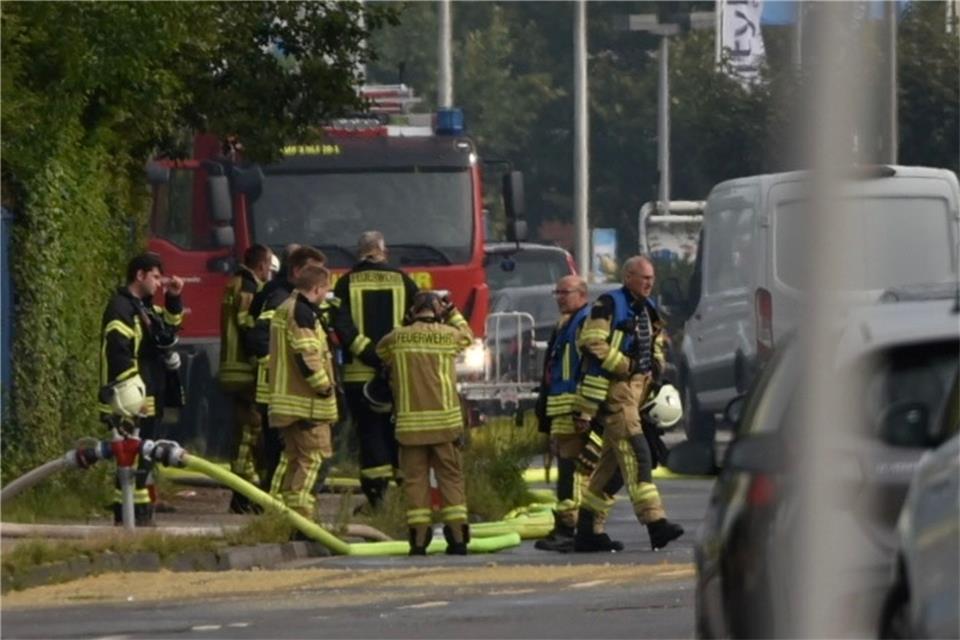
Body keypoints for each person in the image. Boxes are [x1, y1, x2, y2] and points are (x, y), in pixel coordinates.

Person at [572, 256, 685, 552]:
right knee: (638, 454)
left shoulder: (647, 308)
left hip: (637, 391)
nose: (649, 283)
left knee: (612, 470)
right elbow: (591, 342)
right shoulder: (608, 304)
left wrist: (656, 365)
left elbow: (655, 342)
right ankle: (656, 524)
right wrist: (625, 365)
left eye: (651, 278)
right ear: (627, 278)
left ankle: (587, 530)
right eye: (643, 277)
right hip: (616, 390)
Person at [375, 291, 474, 555]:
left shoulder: (396, 338)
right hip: (445, 425)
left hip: (410, 428)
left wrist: (405, 325)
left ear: (412, 311)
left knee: (415, 481)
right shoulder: (449, 335)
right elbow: (468, 336)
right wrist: (453, 313)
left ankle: (418, 540)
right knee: (450, 478)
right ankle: (458, 538)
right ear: (438, 311)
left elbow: (381, 352)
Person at [333, 231, 419, 509]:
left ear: (359, 253)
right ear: (384, 252)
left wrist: (371, 354)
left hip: (359, 376)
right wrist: (389, 358)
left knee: (369, 434)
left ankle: (377, 499)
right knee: (399, 432)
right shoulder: (404, 280)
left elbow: (343, 328)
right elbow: (417, 320)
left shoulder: (345, 283)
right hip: (397, 374)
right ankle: (406, 496)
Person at [99, 252, 185, 526]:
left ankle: (140, 512)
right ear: (140, 275)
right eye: (156, 277)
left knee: (145, 455)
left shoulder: (144, 308)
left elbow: (168, 330)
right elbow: (118, 353)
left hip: (149, 393)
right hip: (132, 398)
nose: (159, 283)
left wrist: (174, 298)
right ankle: (130, 516)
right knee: (133, 457)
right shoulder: (121, 309)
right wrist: (131, 395)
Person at [247, 245, 326, 492]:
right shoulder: (282, 299)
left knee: (285, 455)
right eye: (314, 270)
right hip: (282, 393)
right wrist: (283, 368)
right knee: (286, 455)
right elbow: (258, 337)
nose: (319, 276)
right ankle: (277, 504)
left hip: (281, 392)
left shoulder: (286, 297)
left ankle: (276, 503)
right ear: (297, 271)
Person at [266, 264, 338, 522]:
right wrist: (325, 387)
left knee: (292, 459)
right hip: (307, 403)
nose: (326, 295)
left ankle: (276, 514)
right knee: (315, 458)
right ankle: (302, 518)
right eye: (326, 290)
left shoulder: (286, 308)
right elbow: (307, 355)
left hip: (287, 401)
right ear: (316, 288)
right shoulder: (302, 313)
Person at [533, 275, 594, 551]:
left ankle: (572, 529)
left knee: (574, 471)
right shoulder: (565, 324)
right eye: (556, 292)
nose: (559, 297)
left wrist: (585, 410)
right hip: (561, 409)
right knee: (566, 470)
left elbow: (591, 367)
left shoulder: (584, 323)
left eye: (565, 292)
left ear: (582, 294)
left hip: (574, 409)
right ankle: (567, 527)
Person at [219, 243, 273, 513]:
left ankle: (243, 492)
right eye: (268, 266)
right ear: (262, 265)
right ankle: (246, 493)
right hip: (245, 370)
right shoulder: (249, 288)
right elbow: (249, 327)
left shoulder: (232, 283)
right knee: (251, 433)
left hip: (230, 367)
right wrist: (263, 361)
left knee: (243, 432)